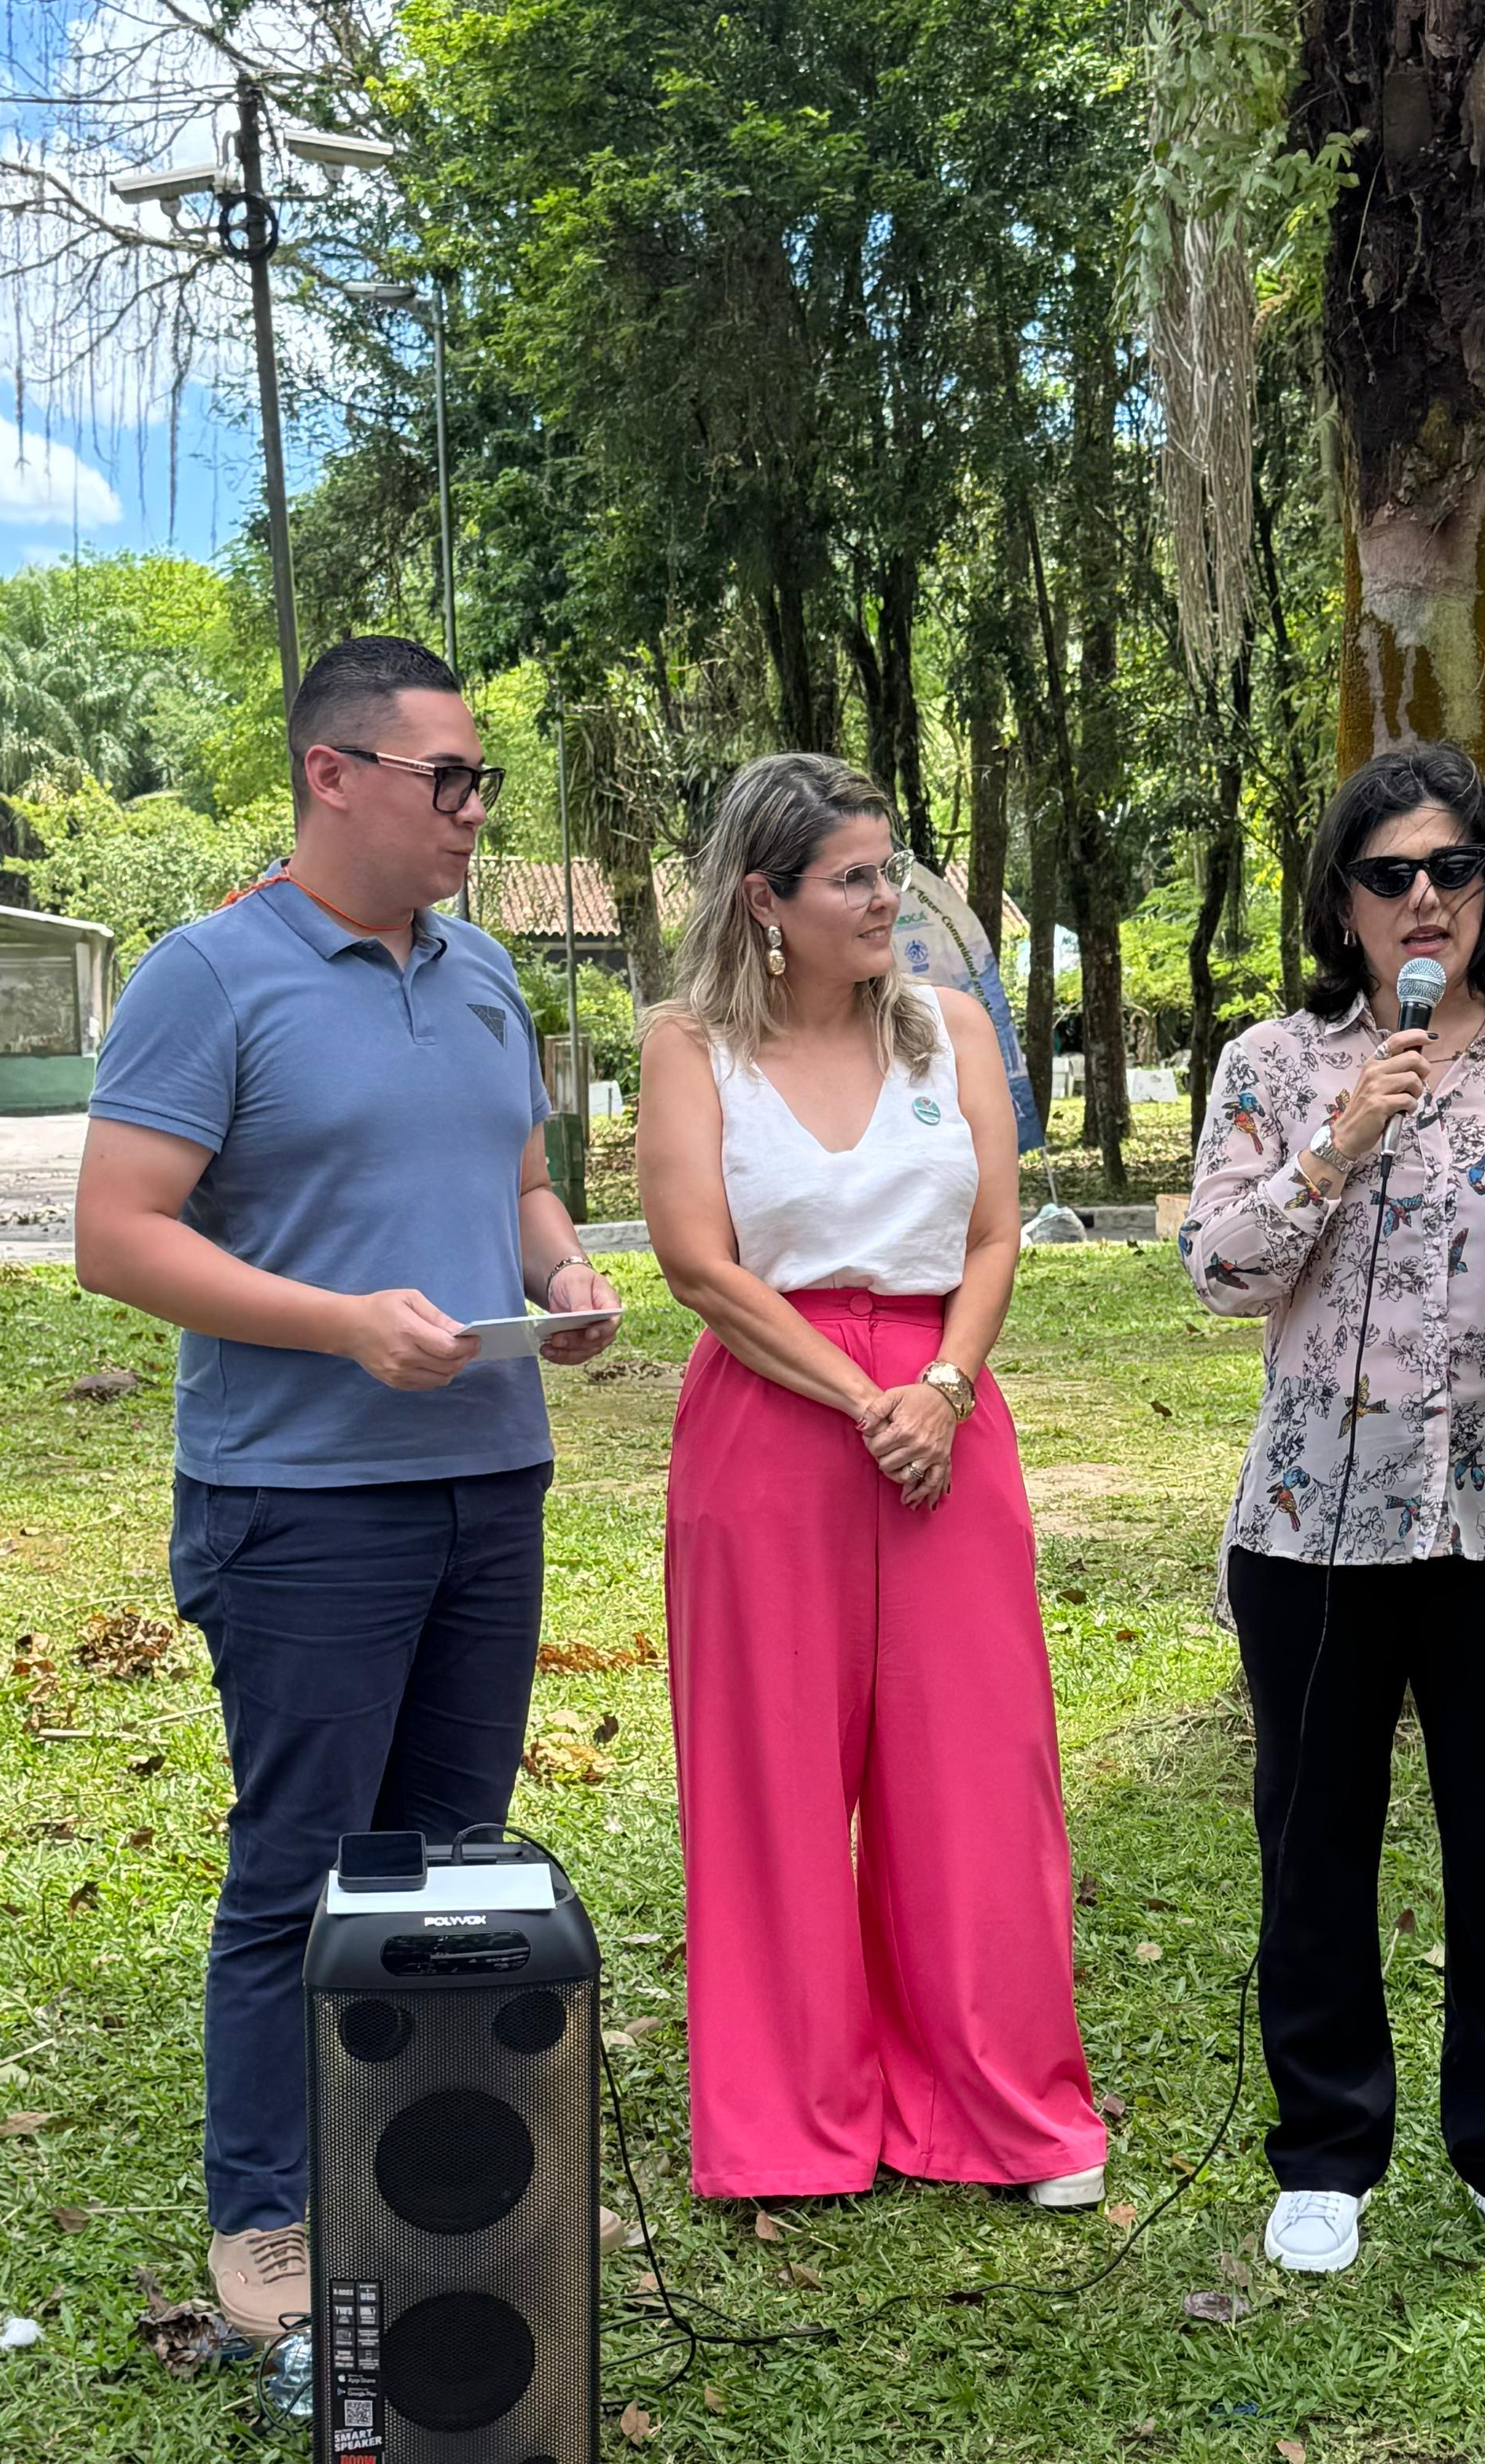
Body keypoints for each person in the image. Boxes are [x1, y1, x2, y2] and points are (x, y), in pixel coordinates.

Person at [76, 635, 623, 2343]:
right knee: (301, 1864)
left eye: (481, 782)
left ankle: (438, 2175)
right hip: (304, 1500)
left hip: (490, 1478)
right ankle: (265, 2210)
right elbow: (117, 1238)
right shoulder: (209, 976)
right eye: (446, 779)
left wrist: (560, 1273)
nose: (474, 811)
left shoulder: (482, 974)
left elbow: (518, 1182)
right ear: (333, 773)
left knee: (453, 1865)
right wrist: (339, 1323)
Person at [1181, 740, 1485, 2283]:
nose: (1424, 899)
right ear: (1343, 902)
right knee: (1315, 1840)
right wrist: (1339, 1144)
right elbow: (1217, 1271)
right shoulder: (1274, 1066)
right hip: (1314, 1530)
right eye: (1390, 874)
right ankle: (1327, 2153)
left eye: (1453, 869)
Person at [636, 751, 1105, 2210]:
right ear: (764, 899)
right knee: (771, 1771)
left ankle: (1002, 2111)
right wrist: (861, 1400)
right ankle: (791, 2123)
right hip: (774, 1414)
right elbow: (698, 1266)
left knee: (977, 1765)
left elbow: (994, 1236)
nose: (885, 897)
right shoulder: (690, 1047)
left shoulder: (950, 1031)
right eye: (852, 877)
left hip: (945, 1408)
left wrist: (943, 1390)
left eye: (888, 868)